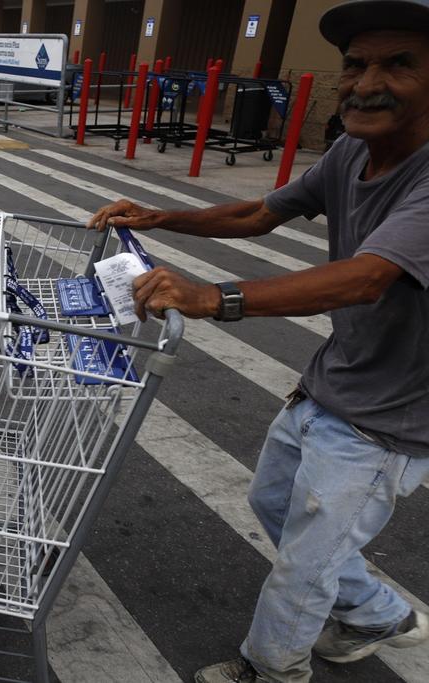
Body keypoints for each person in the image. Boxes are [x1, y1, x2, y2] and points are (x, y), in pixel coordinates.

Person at [88, 1, 429, 681]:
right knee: (273, 503)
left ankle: (271, 668)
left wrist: (213, 297)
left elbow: (365, 279)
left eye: (399, 65)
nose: (366, 83)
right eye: (356, 64)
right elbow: (258, 210)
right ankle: (378, 612)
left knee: (307, 561)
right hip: (335, 380)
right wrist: (161, 215)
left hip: (392, 418)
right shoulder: (351, 151)